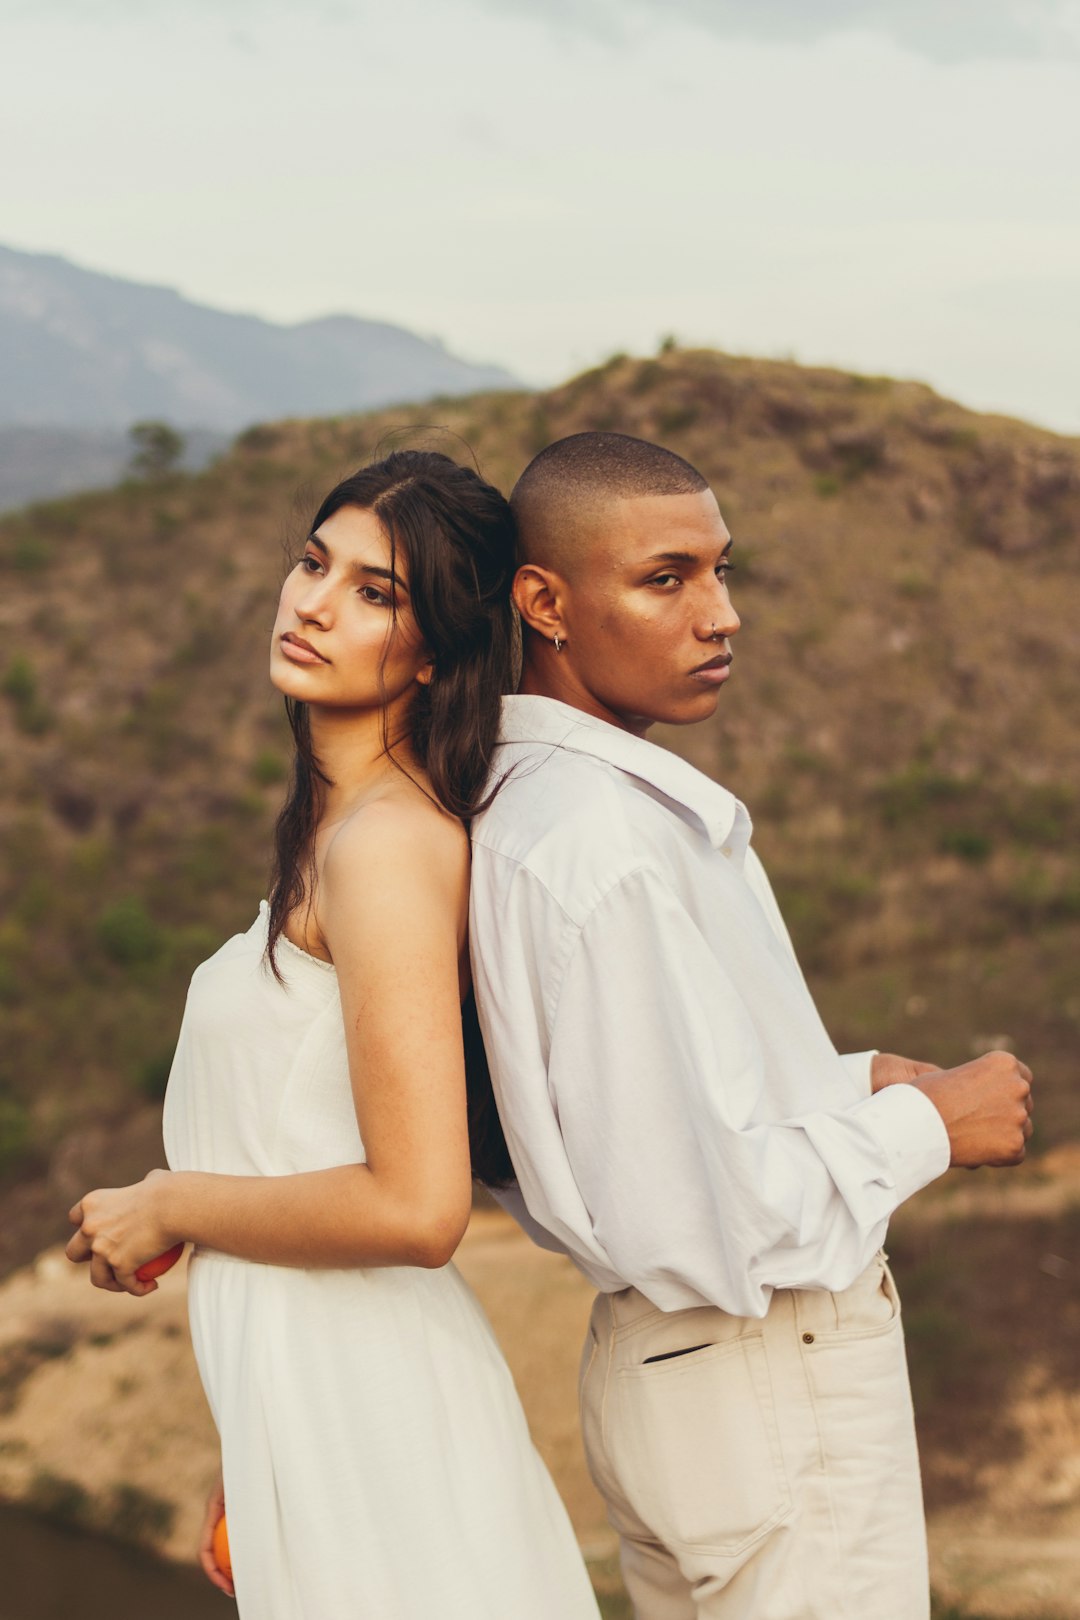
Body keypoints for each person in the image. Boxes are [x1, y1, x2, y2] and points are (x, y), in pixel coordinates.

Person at [467, 431, 1035, 1620]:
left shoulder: (534, 808)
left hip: (685, 1392)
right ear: (545, 603)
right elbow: (701, 1212)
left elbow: (641, 1120)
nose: (721, 615)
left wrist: (845, 1078)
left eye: (725, 571)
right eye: (666, 579)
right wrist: (928, 1125)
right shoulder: (606, 848)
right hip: (764, 1377)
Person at [66, 451, 601, 1620]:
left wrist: (169, 1204)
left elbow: (418, 1208)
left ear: (436, 651)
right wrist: (255, 1448)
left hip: (383, 1431)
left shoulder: (387, 852)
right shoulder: (337, 833)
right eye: (316, 561)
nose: (312, 601)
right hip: (312, 1411)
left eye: (376, 592)